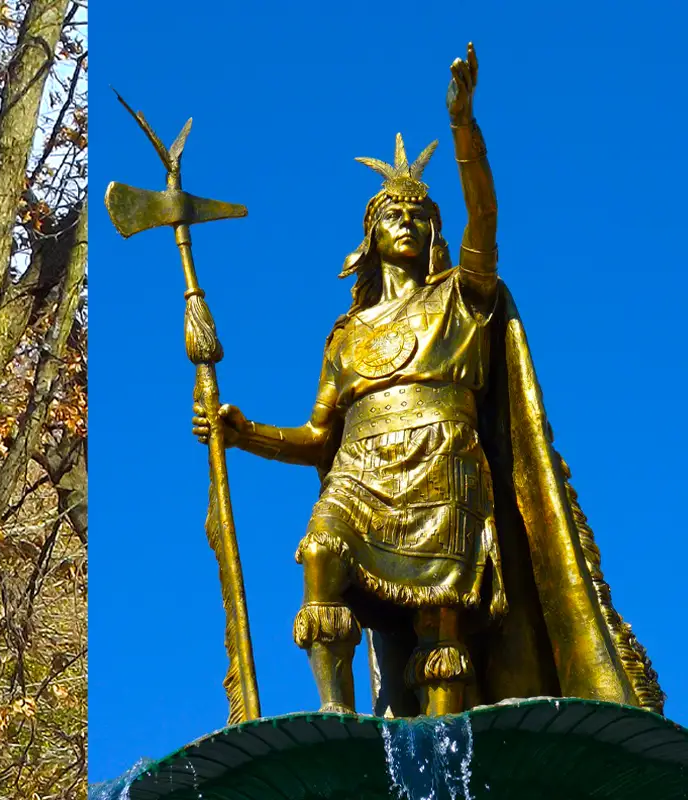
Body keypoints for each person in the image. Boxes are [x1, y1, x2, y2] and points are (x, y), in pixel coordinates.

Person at [193, 44, 662, 718]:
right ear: (372, 237)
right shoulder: (346, 334)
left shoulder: (463, 297)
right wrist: (243, 433)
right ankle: (336, 721)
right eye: (392, 215)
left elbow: (488, 220)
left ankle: (450, 746)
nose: (406, 221)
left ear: (436, 232)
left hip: (445, 466)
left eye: (419, 214)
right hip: (361, 468)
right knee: (322, 551)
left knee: (440, 626)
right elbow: (318, 436)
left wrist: (463, 128)